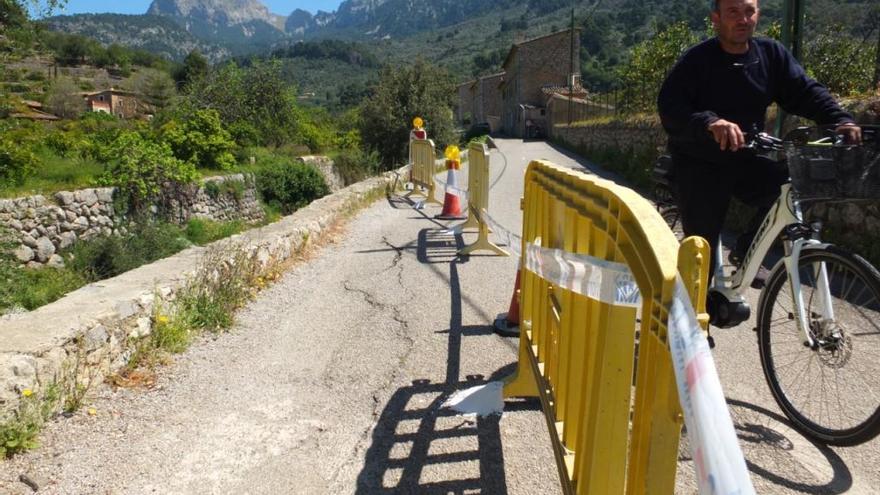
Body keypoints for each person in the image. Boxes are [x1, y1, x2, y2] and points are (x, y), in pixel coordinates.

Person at [657, 0, 860, 287]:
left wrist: (840, 119)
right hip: (699, 163)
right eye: (733, 13)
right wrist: (710, 122)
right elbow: (671, 107)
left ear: (758, 15)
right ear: (716, 18)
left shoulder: (770, 54)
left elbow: (804, 90)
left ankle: (747, 248)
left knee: (789, 187)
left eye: (749, 11)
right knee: (701, 253)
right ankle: (692, 323)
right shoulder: (697, 61)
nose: (743, 19)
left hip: (745, 156)